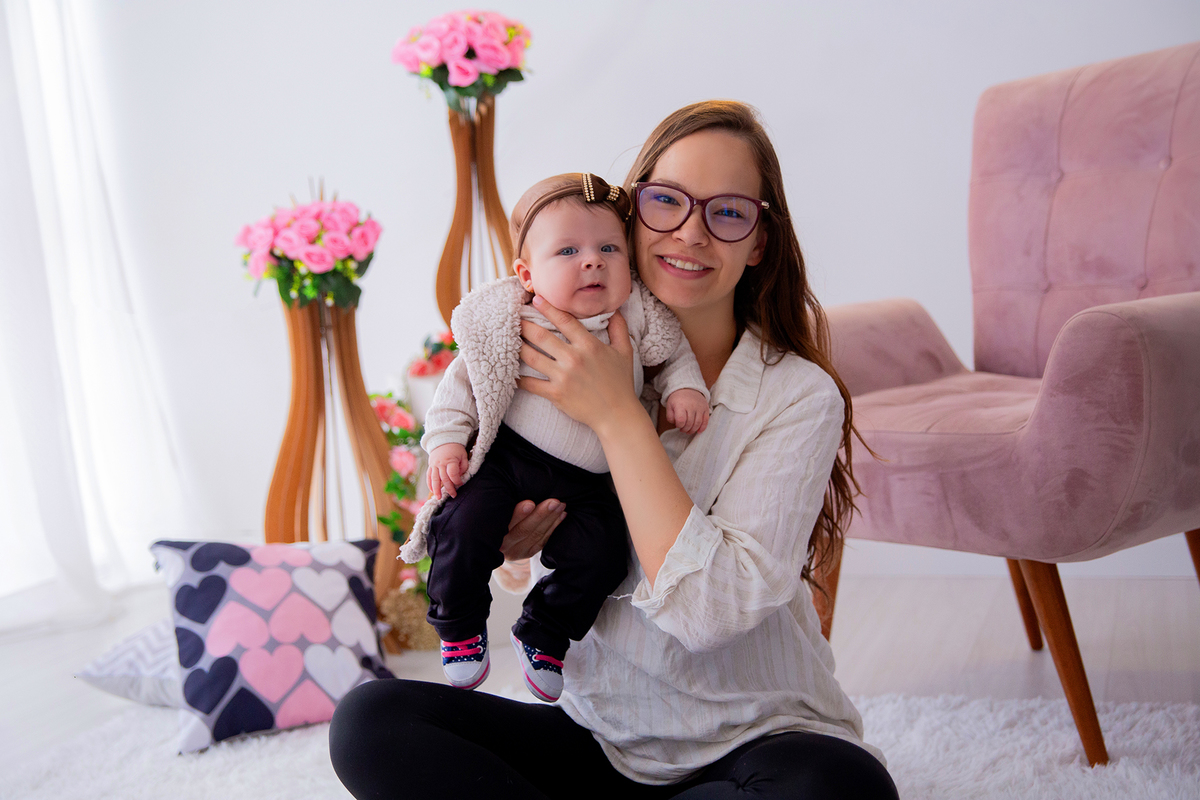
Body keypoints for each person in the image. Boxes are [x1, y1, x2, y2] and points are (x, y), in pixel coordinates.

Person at [330, 101, 900, 799]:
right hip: (601, 738)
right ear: (630, 216)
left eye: (727, 212)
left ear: (758, 240)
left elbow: (709, 615)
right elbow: (527, 539)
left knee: (842, 791)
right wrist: (508, 541)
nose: (691, 232)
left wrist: (618, 417)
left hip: (757, 741)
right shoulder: (545, 342)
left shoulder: (800, 397)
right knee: (371, 720)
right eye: (666, 202)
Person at [403, 172, 710, 702]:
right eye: (568, 250)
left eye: (608, 248)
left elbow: (674, 352)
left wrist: (685, 388)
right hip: (510, 459)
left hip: (592, 478)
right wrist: (448, 442)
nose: (592, 260)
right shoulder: (514, 318)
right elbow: (464, 381)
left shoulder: (636, 312)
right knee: (464, 519)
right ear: (526, 274)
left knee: (605, 553)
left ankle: (544, 634)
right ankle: (458, 624)